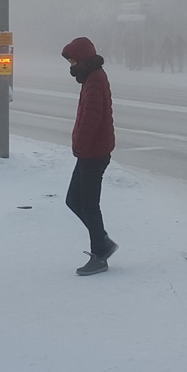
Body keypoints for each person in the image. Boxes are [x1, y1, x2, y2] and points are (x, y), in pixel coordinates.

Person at [61, 37, 117, 275]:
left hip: (93, 152)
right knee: (74, 200)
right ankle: (102, 242)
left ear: (83, 61)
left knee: (89, 204)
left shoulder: (94, 81)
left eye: (73, 61)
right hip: (91, 151)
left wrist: (81, 146)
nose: (71, 66)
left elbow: (91, 119)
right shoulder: (91, 78)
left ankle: (99, 255)